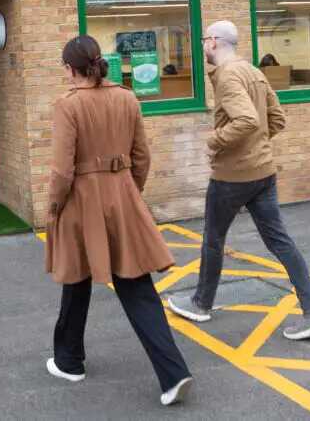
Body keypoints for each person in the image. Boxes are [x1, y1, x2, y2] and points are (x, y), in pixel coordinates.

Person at [45, 35, 193, 406]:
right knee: (137, 285)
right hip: (123, 194)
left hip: (81, 201)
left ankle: (69, 361)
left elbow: (62, 171)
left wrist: (54, 206)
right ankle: (173, 373)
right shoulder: (127, 97)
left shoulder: (68, 105)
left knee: (76, 279)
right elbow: (141, 156)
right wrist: (128, 191)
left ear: (70, 68)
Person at [167, 21, 310, 341]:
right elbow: (277, 119)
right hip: (263, 173)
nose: (202, 46)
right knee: (280, 241)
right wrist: (255, 146)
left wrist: (215, 141)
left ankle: (201, 303)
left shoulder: (228, 76)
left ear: (214, 42)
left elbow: (246, 120)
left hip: (232, 176)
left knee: (213, 239)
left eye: (204, 40)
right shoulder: (254, 72)